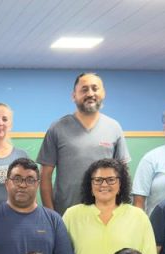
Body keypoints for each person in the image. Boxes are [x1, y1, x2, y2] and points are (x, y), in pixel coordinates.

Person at [37, 72, 130, 214]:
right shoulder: (57, 128)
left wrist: (122, 212)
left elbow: (123, 175)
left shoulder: (114, 128)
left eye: (95, 88)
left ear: (103, 93)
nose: (90, 93)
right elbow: (45, 176)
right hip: (65, 215)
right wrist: (51, 216)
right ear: (74, 95)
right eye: (84, 89)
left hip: (106, 215)